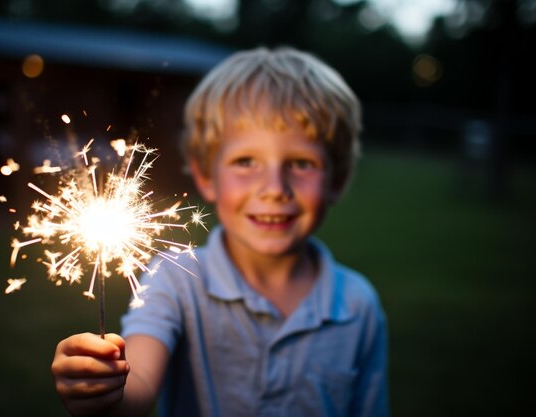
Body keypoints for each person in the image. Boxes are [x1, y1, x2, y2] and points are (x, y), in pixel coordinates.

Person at [51, 46, 389, 417]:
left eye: (302, 163)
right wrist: (105, 389)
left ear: (336, 181)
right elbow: (139, 384)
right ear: (205, 176)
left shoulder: (358, 305)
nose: (275, 187)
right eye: (246, 161)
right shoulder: (176, 279)